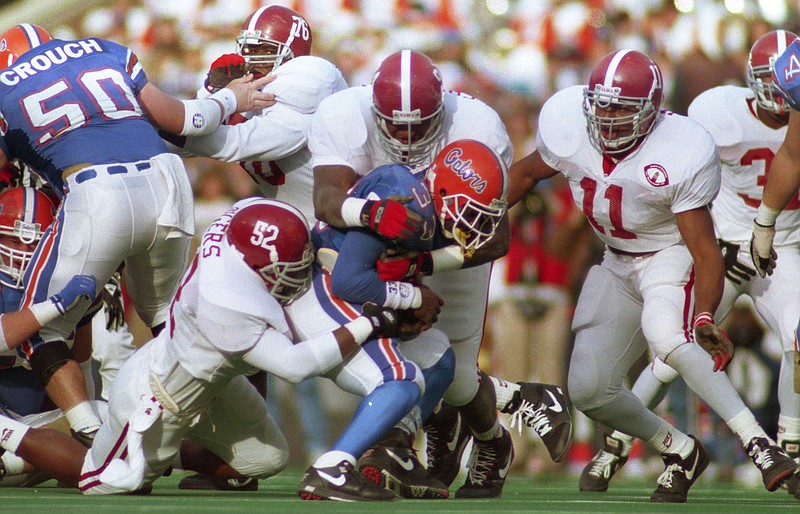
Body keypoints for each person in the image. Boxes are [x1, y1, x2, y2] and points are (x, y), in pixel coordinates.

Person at [507, 48, 798, 503]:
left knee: (665, 333)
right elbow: (525, 174)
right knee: (589, 390)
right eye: (601, 104)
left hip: (667, 254)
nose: (608, 117)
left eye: (622, 108)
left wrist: (703, 317)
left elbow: (704, 251)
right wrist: (479, 213)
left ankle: (758, 445)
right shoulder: (569, 125)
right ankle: (680, 450)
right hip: (614, 261)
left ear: (650, 111)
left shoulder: (680, 146)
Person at [0, 198, 403, 494]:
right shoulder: (226, 299)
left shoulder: (241, 223)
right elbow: (296, 366)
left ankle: (155, 453)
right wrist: (369, 323)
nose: (296, 278)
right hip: (155, 396)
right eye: (286, 272)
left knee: (265, 461)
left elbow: (264, 214)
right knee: (102, 480)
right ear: (255, 267)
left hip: (215, 383)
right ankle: (12, 433)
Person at [309, 49, 572, 498]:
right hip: (380, 243)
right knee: (400, 353)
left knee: (456, 374)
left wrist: (419, 264)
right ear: (374, 110)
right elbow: (326, 200)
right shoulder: (344, 114)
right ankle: (484, 414)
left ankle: (487, 441)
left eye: (420, 125)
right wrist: (372, 214)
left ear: (441, 110)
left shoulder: (476, 125)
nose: (407, 136)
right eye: (395, 125)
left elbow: (495, 236)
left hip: (449, 247)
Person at [0, 22, 272, 444]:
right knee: (170, 321)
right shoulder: (105, 50)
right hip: (168, 180)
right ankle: (236, 435)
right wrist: (229, 99)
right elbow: (182, 119)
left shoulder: (5, 87)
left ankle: (92, 437)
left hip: (95, 194)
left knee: (39, 330)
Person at [166, 4, 348, 491]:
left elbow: (220, 143)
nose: (254, 63)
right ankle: (235, 458)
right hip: (292, 238)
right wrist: (214, 102)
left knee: (352, 361)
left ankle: (389, 445)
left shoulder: (309, 88)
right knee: (246, 338)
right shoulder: (265, 92)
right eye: (250, 52)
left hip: (340, 239)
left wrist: (209, 106)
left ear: (293, 58)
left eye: (267, 54)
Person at [290, 159, 451, 501]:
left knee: (438, 358)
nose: (475, 222)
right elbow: (349, 280)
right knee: (402, 379)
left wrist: (407, 299)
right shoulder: (403, 195)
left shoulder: (422, 197)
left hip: (344, 294)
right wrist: (412, 296)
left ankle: (392, 454)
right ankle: (331, 467)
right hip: (322, 290)